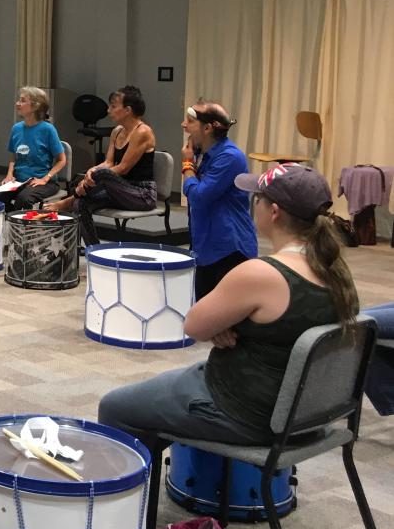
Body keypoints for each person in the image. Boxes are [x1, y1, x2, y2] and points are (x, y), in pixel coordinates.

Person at [98, 163, 355, 450]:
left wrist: (223, 324)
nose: (252, 204)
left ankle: (133, 490)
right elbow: (283, 329)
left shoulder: (261, 274)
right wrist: (232, 326)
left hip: (246, 413)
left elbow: (194, 326)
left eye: (256, 197)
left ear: (273, 212)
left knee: (115, 408)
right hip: (305, 414)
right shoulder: (337, 272)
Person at [48, 85, 156, 244]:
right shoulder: (117, 131)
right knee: (81, 203)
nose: (108, 110)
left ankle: (67, 201)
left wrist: (94, 176)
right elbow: (109, 162)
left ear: (127, 110)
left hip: (141, 193)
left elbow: (123, 168)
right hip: (119, 189)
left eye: (113, 106)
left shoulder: (142, 132)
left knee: (101, 175)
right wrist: (92, 171)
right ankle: (95, 250)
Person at [181, 102, 257, 298]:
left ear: (207, 128)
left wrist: (187, 165)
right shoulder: (202, 153)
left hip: (228, 248)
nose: (183, 125)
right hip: (206, 245)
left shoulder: (230, 157)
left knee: (226, 322)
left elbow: (199, 196)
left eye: (190, 121)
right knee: (204, 315)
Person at [0, 86, 66, 211]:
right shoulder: (16, 128)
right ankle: (12, 221)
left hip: (44, 182)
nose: (18, 103)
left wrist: (45, 178)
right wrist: (9, 174)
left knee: (24, 199)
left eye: (22, 101)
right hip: (20, 181)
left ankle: (19, 224)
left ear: (35, 106)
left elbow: (62, 160)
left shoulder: (47, 129)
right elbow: (13, 156)